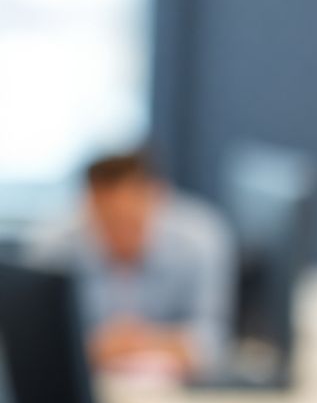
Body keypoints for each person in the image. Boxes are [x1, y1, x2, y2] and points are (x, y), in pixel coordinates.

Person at [25, 150, 235, 381]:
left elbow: (213, 338)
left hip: (175, 388)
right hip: (87, 383)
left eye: (132, 221)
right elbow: (39, 338)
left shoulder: (200, 239)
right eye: (110, 221)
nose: (122, 234)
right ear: (89, 205)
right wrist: (91, 346)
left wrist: (144, 342)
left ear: (158, 198)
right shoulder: (55, 247)